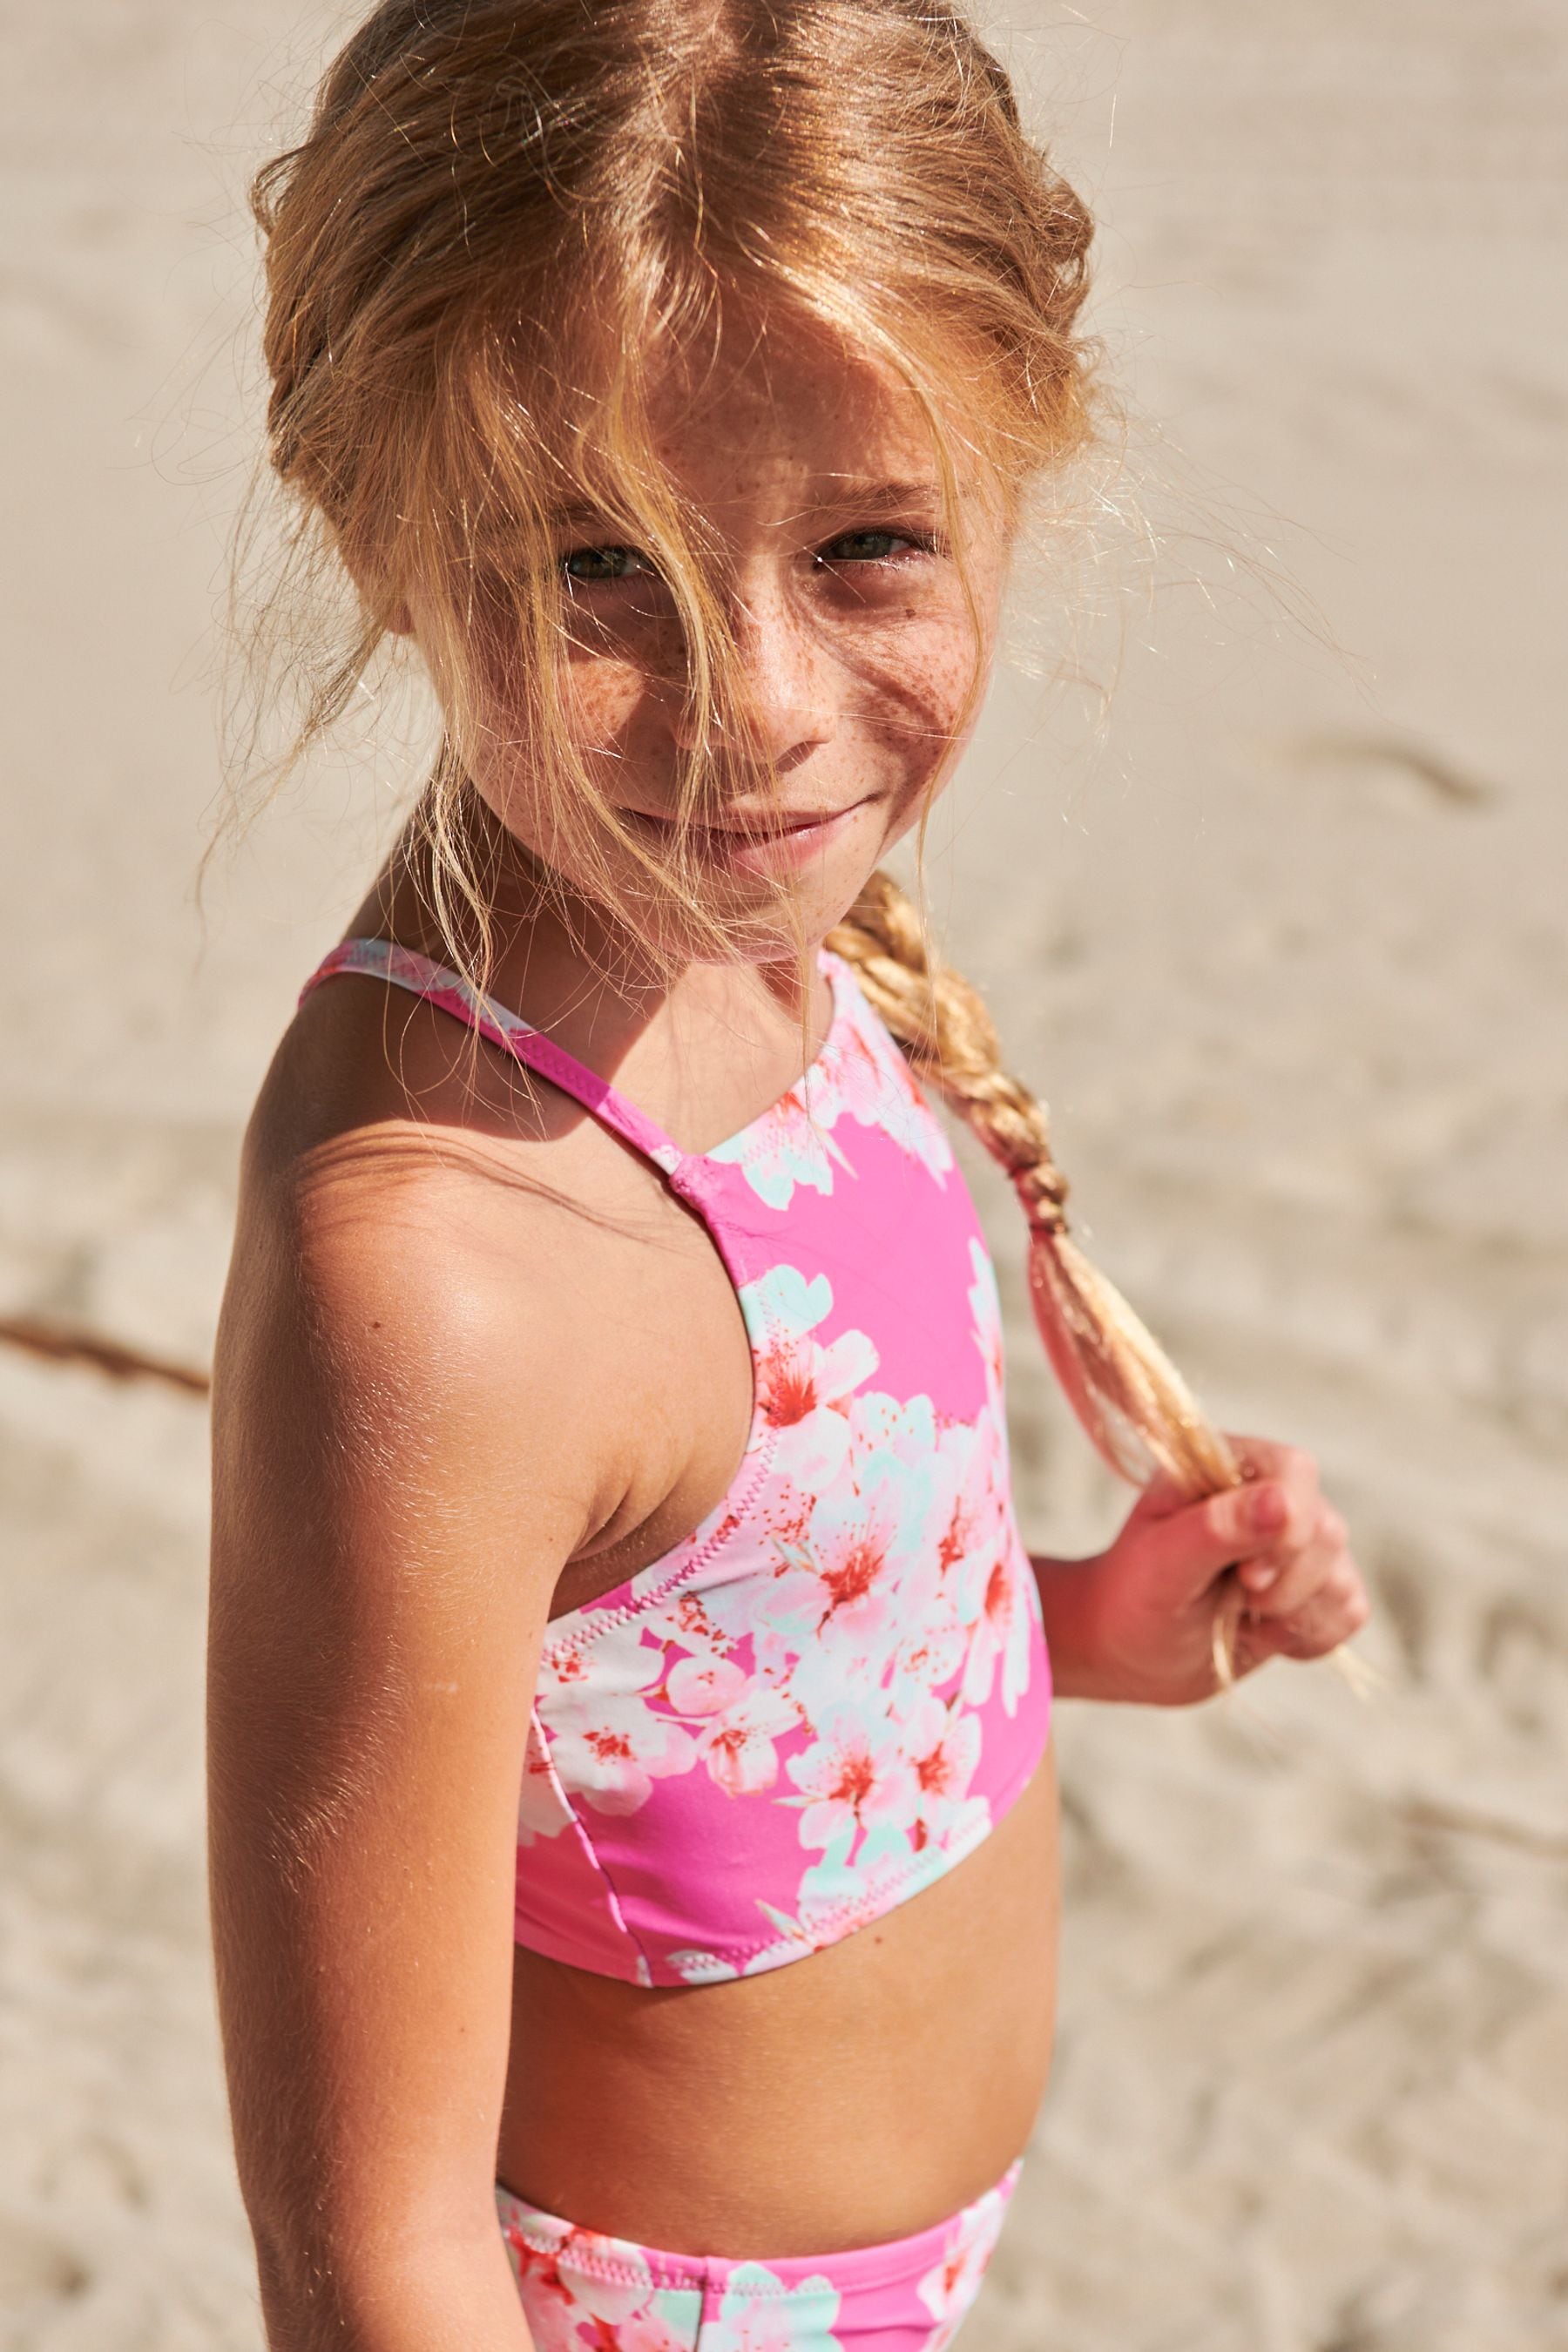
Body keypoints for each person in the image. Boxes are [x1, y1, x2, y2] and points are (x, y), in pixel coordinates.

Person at [206, 5, 1369, 2347]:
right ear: (374, 519)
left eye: (865, 544)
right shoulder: (429, 1282)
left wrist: (1068, 1629)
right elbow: (373, 2255)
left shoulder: (768, 947)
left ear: (1019, 472)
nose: (756, 704)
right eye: (593, 568)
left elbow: (720, 1669)